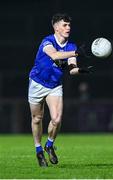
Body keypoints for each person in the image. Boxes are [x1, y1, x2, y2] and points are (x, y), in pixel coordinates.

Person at [28, 13, 93, 167]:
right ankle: (38, 150)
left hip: (54, 85)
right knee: (37, 118)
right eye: (64, 25)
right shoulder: (48, 41)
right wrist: (76, 53)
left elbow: (71, 69)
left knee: (56, 119)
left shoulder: (71, 46)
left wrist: (81, 70)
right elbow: (55, 55)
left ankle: (49, 146)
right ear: (56, 27)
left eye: (69, 25)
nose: (68, 28)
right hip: (37, 83)